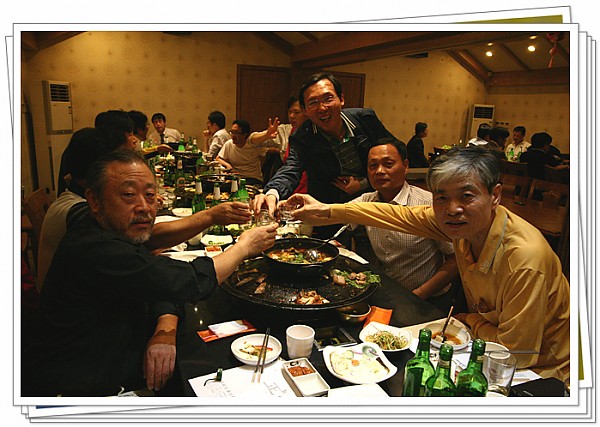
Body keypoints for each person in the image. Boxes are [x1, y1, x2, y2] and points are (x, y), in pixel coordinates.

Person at [286, 146, 570, 382]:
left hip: (541, 374)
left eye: (467, 196)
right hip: (482, 347)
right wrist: (326, 210)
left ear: (494, 195)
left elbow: (516, 353)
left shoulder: (524, 258)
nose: (452, 209)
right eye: (442, 197)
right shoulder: (462, 224)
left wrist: (470, 320)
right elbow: (393, 215)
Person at [23, 149, 278, 396]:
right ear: (94, 201)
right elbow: (188, 280)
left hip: (115, 355)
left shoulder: (114, 232)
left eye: (150, 195)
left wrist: (165, 324)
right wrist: (244, 247)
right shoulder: (95, 248)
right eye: (128, 195)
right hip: (79, 388)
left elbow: (157, 278)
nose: (144, 207)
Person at [253, 72, 397, 236]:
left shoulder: (365, 119)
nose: (322, 108)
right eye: (313, 103)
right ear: (305, 110)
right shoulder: (303, 136)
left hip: (374, 202)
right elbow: (291, 168)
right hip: (329, 208)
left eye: (328, 99)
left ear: (341, 99)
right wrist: (272, 193)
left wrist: (363, 183)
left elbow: (395, 152)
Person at [350, 137, 459, 310]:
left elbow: (455, 259)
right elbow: (333, 214)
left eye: (388, 164)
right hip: (389, 295)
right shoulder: (367, 201)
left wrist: (418, 295)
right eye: (373, 166)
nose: (379, 171)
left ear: (405, 166)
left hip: (428, 300)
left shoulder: (427, 204)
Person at [247, 96, 308, 193]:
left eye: (296, 112)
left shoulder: (315, 132)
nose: (292, 116)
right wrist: (266, 135)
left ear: (307, 113)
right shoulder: (285, 130)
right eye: (290, 112)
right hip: (289, 182)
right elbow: (252, 141)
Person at [215, 119, 266, 186]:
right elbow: (218, 158)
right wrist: (227, 165)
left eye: (236, 133)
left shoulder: (252, 145)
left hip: (253, 179)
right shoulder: (229, 144)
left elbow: (269, 150)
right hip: (236, 178)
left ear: (244, 135)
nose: (233, 136)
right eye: (232, 132)